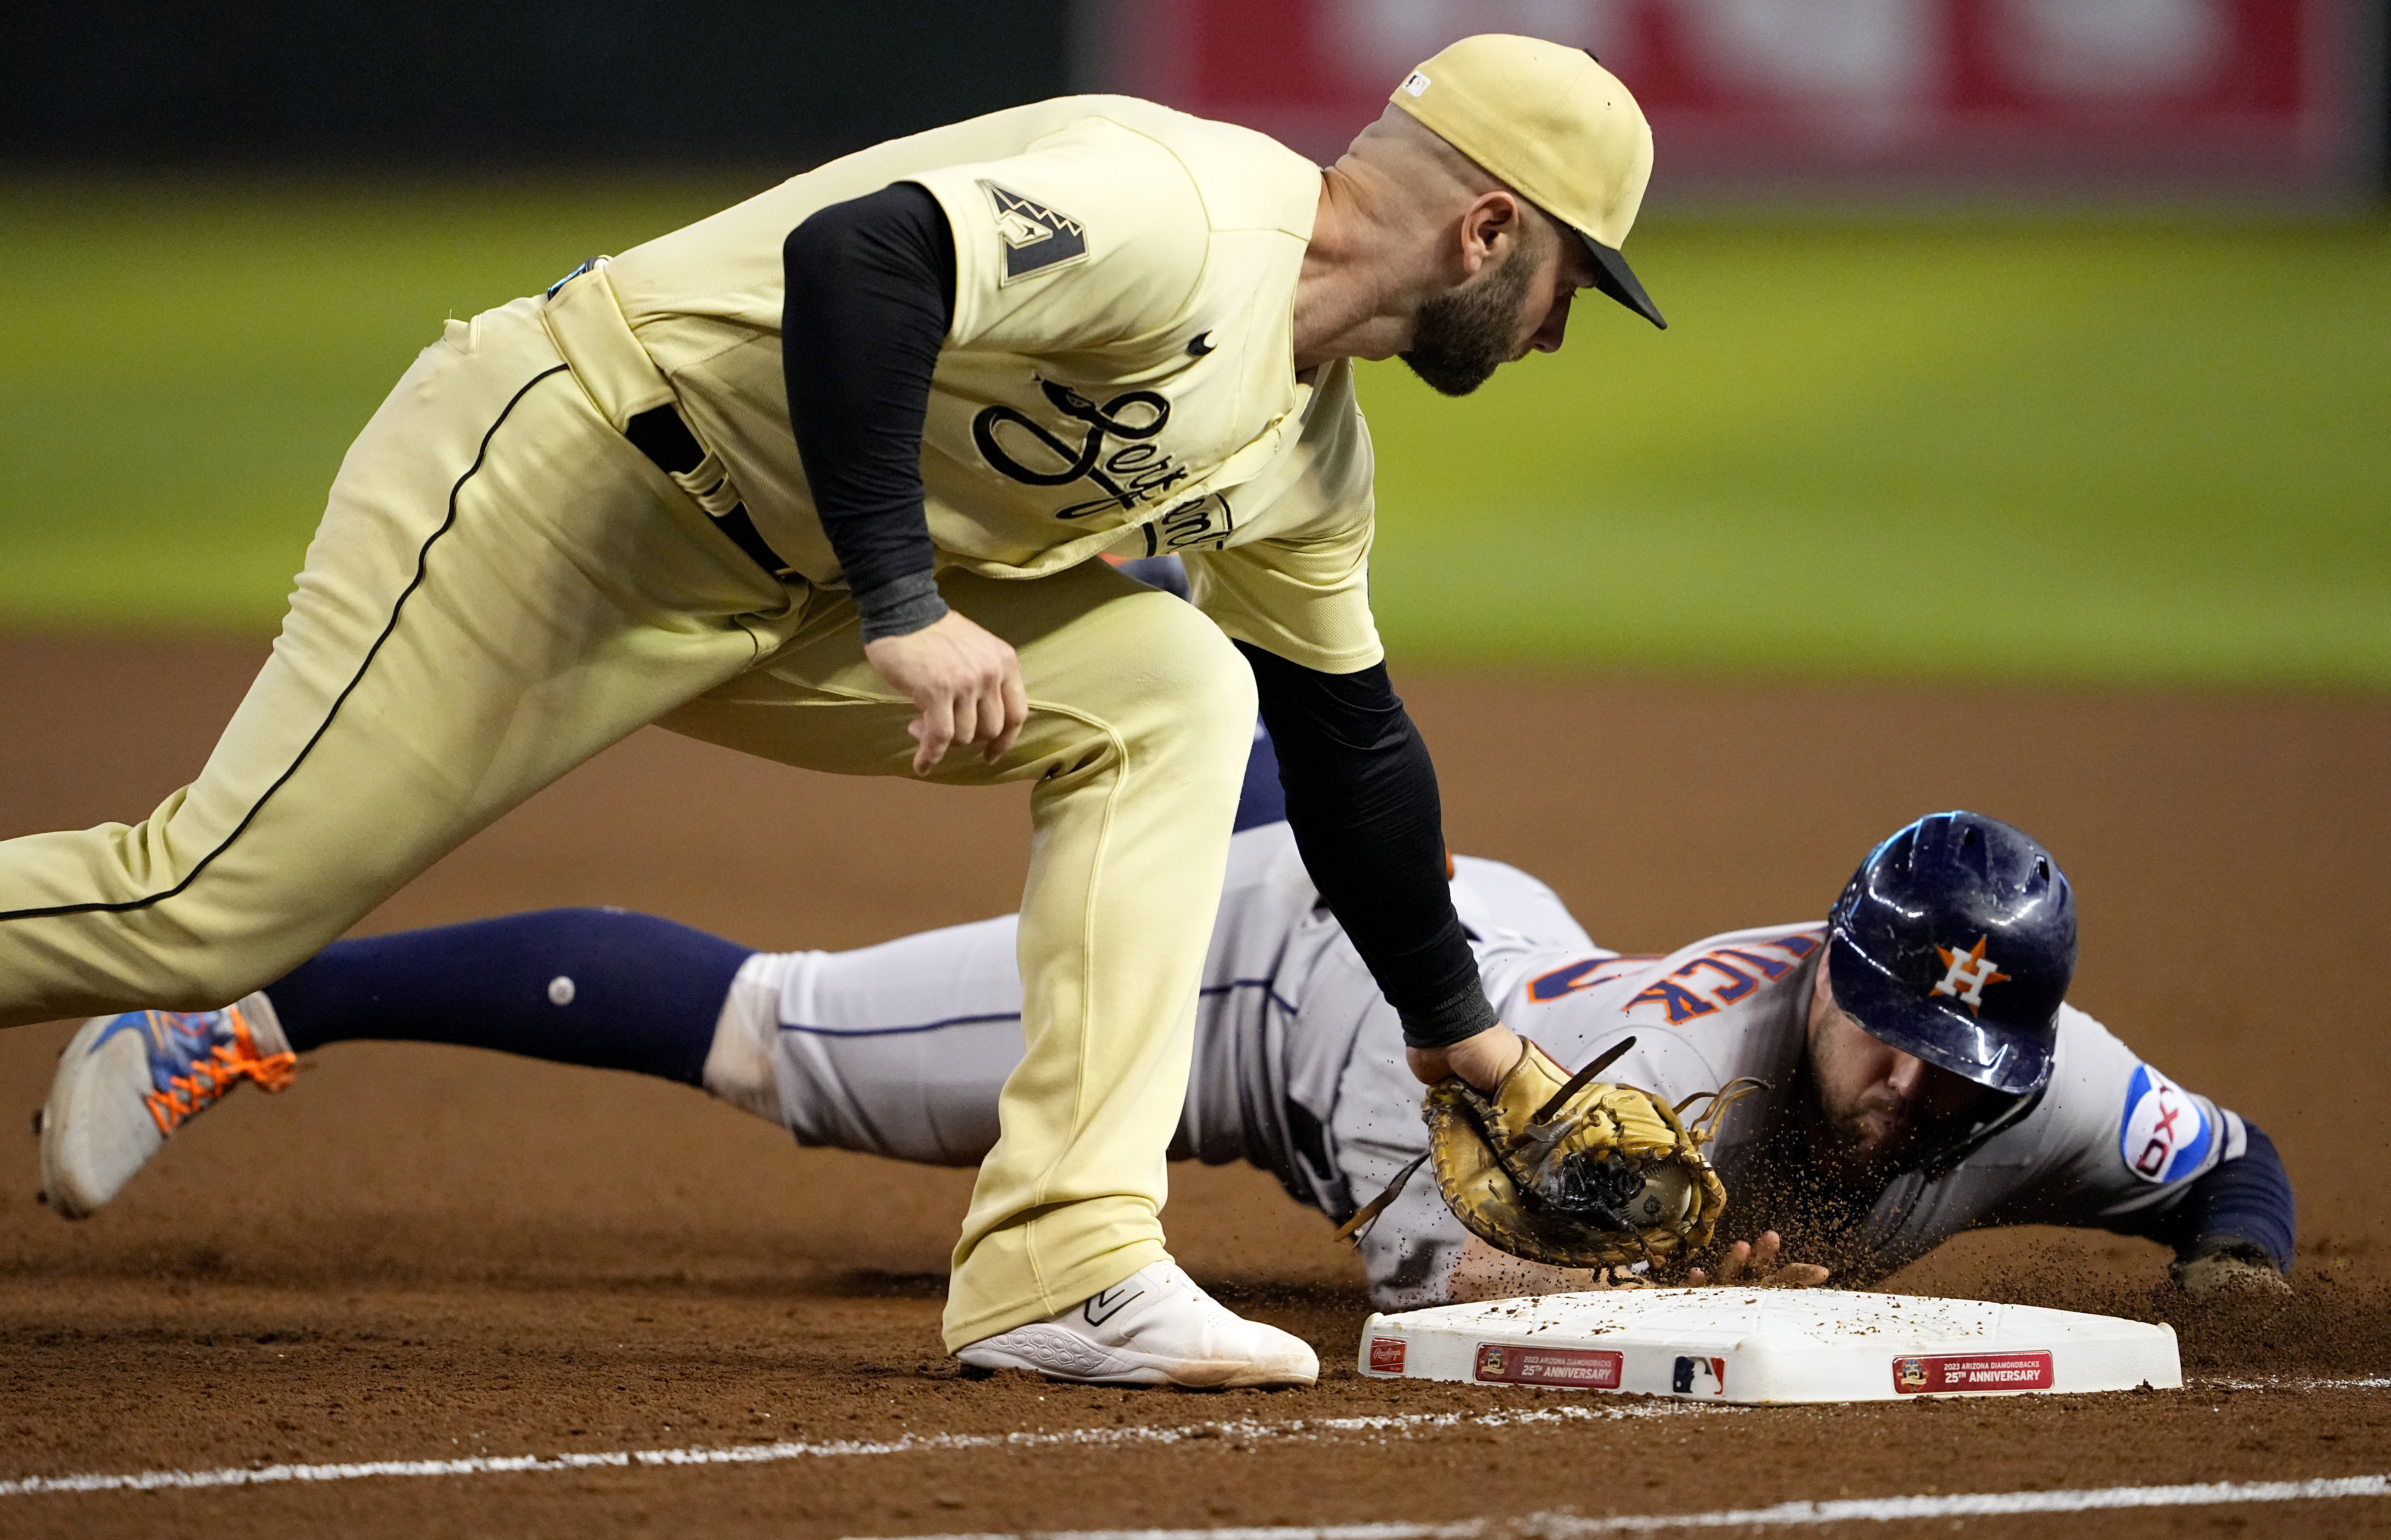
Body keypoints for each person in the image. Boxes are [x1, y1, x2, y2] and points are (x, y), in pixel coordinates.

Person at [0, 37, 1674, 1388]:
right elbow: (860, 258)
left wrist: (1469, 1033)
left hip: (777, 590)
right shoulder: (1184, 211)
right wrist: (905, 601)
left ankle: (1067, 1265)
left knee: (1176, 687)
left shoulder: (1310, 459)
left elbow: (1349, 743)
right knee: (202, 910)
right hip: (575, 480)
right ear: (1489, 232)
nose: (1554, 334)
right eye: (1572, 287)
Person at [40, 788, 2295, 1339]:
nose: (1910, 1093)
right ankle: (239, 1007)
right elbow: (1478, 1321)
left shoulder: (2046, 1080)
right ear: (1835, 971)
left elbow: (2240, 1174)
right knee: (799, 1047)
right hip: (1311, 986)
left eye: (1953, 1078)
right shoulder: (1653, 1108)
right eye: (1886, 1037)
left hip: (1458, 942)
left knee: (1235, 776)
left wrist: (2237, 1275)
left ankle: (1187, 653)